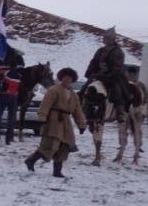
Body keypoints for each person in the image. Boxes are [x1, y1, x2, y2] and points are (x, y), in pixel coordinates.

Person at [24, 67, 87, 178]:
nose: (67, 80)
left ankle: (57, 171)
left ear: (73, 80)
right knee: (50, 145)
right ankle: (31, 160)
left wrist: (82, 124)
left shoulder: (74, 95)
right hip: (53, 120)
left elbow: (77, 111)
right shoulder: (54, 90)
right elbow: (46, 104)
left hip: (66, 122)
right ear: (61, 78)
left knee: (64, 146)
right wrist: (42, 116)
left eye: (69, 78)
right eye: (65, 77)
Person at [84, 27, 130, 164]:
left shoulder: (118, 52)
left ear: (113, 39)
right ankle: (83, 113)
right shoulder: (100, 51)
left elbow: (117, 68)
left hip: (113, 77)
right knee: (84, 91)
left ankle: (120, 112)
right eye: (104, 38)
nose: (105, 40)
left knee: (117, 91)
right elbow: (92, 63)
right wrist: (90, 73)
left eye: (108, 38)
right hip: (97, 77)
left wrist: (105, 76)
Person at [0, 65, 22, 144]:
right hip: (14, 97)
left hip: (4, 96)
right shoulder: (17, 75)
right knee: (11, 118)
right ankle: (8, 139)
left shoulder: (3, 77)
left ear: (2, 70)